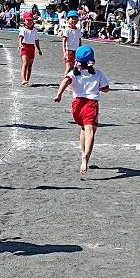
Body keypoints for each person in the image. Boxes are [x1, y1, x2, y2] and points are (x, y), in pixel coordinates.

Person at [53, 46, 110, 175]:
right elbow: (106, 88)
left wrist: (59, 94)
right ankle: (86, 157)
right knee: (90, 131)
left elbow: (65, 81)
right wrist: (100, 89)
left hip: (77, 105)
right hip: (90, 104)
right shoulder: (97, 73)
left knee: (84, 129)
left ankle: (83, 153)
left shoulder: (74, 73)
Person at [18, 11, 42, 86]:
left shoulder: (34, 31)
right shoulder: (23, 29)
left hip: (32, 48)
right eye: (27, 20)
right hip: (24, 47)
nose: (29, 22)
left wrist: (39, 50)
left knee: (30, 65)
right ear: (24, 21)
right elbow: (20, 38)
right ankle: (23, 79)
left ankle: (27, 80)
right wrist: (20, 45)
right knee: (25, 63)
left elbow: (36, 41)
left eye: (31, 20)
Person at [61, 10, 82, 74]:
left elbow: (79, 41)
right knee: (68, 67)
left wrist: (80, 51)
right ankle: (64, 81)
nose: (74, 20)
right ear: (68, 19)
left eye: (76, 19)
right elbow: (64, 42)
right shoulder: (67, 30)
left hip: (76, 51)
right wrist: (64, 53)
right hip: (69, 50)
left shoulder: (78, 30)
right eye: (72, 18)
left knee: (74, 67)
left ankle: (70, 82)